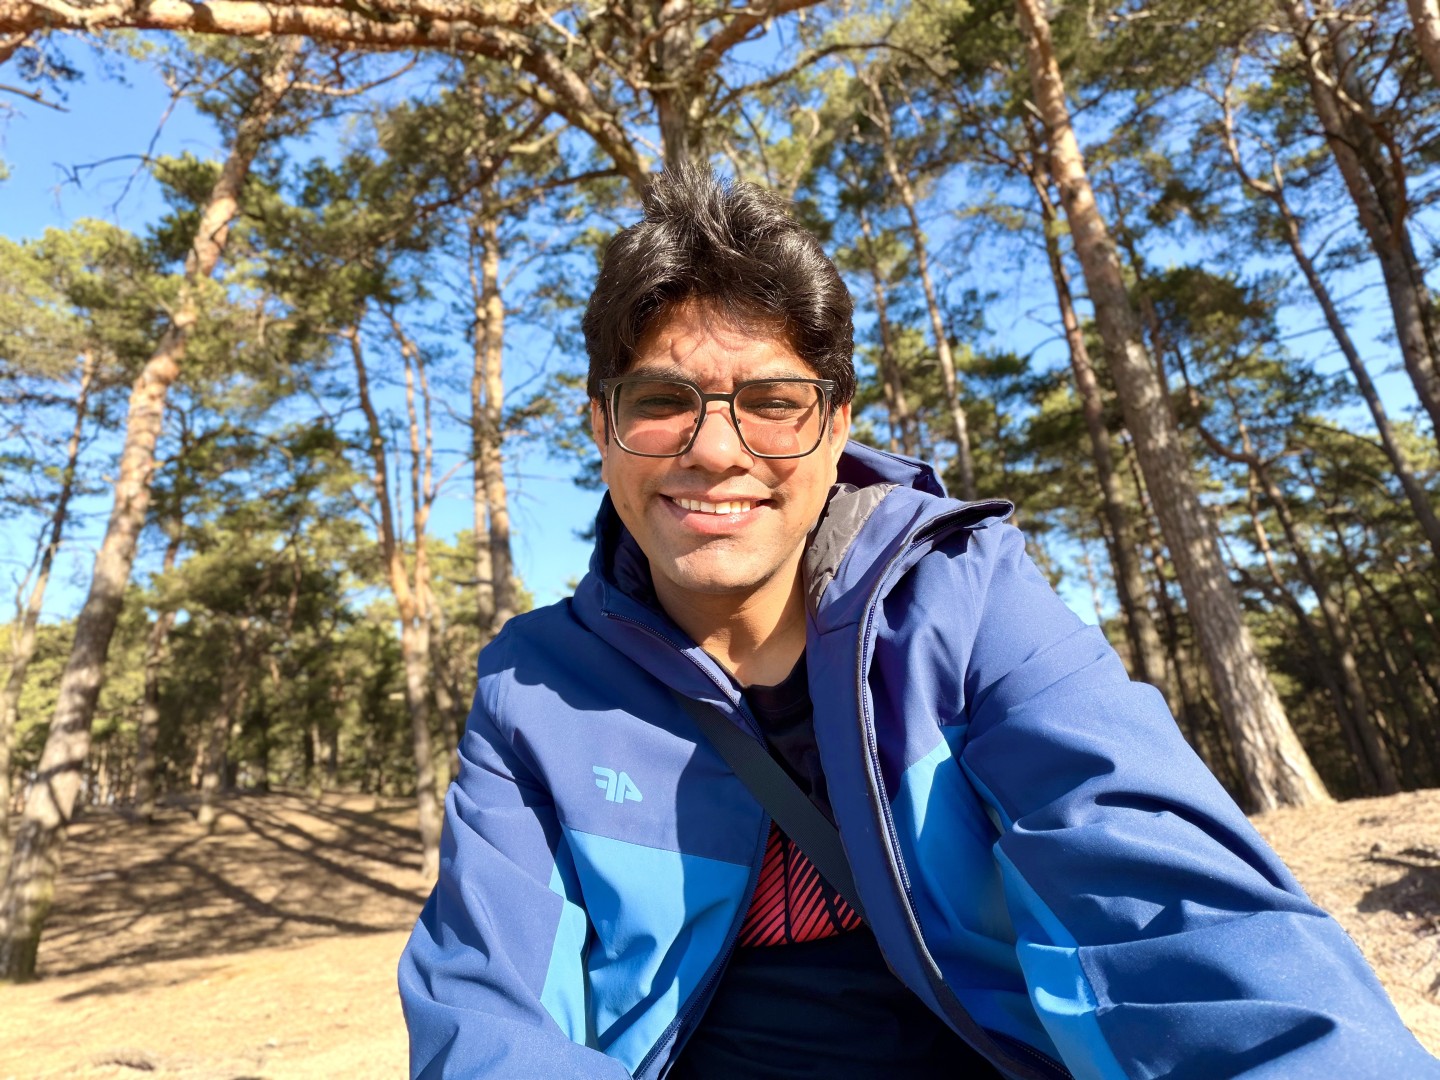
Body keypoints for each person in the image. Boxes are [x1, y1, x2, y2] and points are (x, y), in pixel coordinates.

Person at [398, 167, 1437, 1080]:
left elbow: (1178, 906)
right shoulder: (535, 688)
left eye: (773, 402)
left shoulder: (965, 603)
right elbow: (489, 1014)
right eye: (663, 399)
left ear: (836, 427)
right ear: (601, 426)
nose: (715, 450)